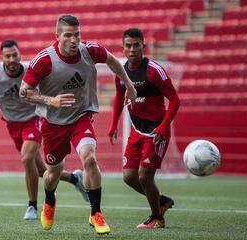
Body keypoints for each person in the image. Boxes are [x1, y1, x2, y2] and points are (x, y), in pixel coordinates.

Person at [19, 14, 137, 235]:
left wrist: (128, 84)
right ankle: (50, 200)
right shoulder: (43, 60)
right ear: (57, 36)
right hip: (53, 123)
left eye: (77, 35)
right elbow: (23, 92)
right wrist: (50, 100)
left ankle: (95, 213)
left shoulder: (90, 50)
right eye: (68, 36)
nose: (74, 40)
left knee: (90, 159)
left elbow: (112, 60)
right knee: (53, 173)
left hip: (81, 115)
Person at [0, 39, 89, 221]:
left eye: (14, 54)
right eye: (7, 56)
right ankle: (75, 179)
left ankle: (32, 206)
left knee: (26, 158)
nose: (11, 59)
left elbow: (46, 91)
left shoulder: (30, 72)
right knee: (40, 171)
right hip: (12, 124)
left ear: (19, 54)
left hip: (33, 119)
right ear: (1, 57)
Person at [108, 28, 180, 228]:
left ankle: (157, 217)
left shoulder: (154, 71)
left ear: (143, 47)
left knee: (144, 175)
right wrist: (114, 124)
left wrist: (163, 128)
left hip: (157, 131)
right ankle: (162, 201)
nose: (132, 49)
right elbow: (118, 97)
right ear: (122, 48)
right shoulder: (120, 73)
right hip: (136, 130)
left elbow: (174, 100)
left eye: (136, 45)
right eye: (128, 46)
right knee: (129, 177)